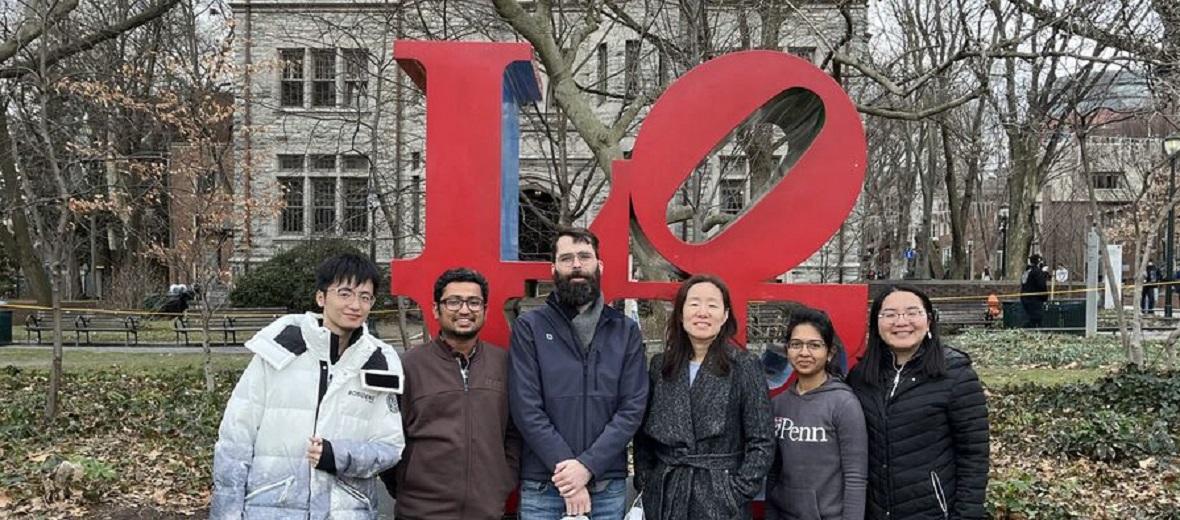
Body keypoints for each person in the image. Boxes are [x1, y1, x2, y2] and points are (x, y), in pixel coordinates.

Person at [211, 253, 405, 519]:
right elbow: (235, 441)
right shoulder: (278, 350)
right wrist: (227, 514)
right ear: (321, 298)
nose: (355, 305)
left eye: (365, 297)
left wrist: (338, 455)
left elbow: (390, 447)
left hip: (346, 511)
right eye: (345, 294)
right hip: (272, 508)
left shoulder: (379, 361)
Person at [509, 227, 649, 519]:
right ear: (553, 268)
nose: (576, 265)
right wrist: (569, 473)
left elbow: (632, 407)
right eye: (566, 258)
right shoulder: (530, 327)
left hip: (606, 485)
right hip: (543, 486)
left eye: (584, 256)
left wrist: (587, 466)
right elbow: (526, 407)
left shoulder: (625, 331)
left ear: (599, 265)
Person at [381, 268, 520, 519]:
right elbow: (387, 435)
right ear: (436, 309)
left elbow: (514, 431)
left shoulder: (503, 364)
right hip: (420, 512)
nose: (465, 310)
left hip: (486, 511)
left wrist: (503, 479)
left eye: (474, 302)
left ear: (485, 310)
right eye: (454, 302)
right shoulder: (409, 366)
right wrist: (407, 485)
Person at [633, 274, 773, 520]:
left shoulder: (744, 366)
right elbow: (644, 435)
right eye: (694, 303)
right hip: (666, 493)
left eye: (712, 305)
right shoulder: (661, 366)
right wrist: (647, 479)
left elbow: (762, 440)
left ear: (725, 315)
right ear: (681, 313)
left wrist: (735, 493)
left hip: (720, 497)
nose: (703, 312)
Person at [848, 285, 989, 520]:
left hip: (933, 512)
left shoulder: (955, 374)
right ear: (876, 324)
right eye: (890, 314)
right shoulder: (861, 377)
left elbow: (974, 456)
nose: (901, 322)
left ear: (929, 320)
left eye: (912, 312)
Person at [766, 307, 866, 520]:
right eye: (796, 344)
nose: (804, 353)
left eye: (814, 345)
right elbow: (774, 472)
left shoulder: (844, 404)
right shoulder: (778, 405)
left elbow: (856, 477)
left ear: (830, 353)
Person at [1019, 254, 1049, 328]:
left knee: (1031, 318)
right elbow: (1041, 285)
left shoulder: (1027, 271)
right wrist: (1044, 297)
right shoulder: (1036, 272)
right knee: (1037, 318)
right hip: (1034, 299)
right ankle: (1024, 329)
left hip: (1025, 298)